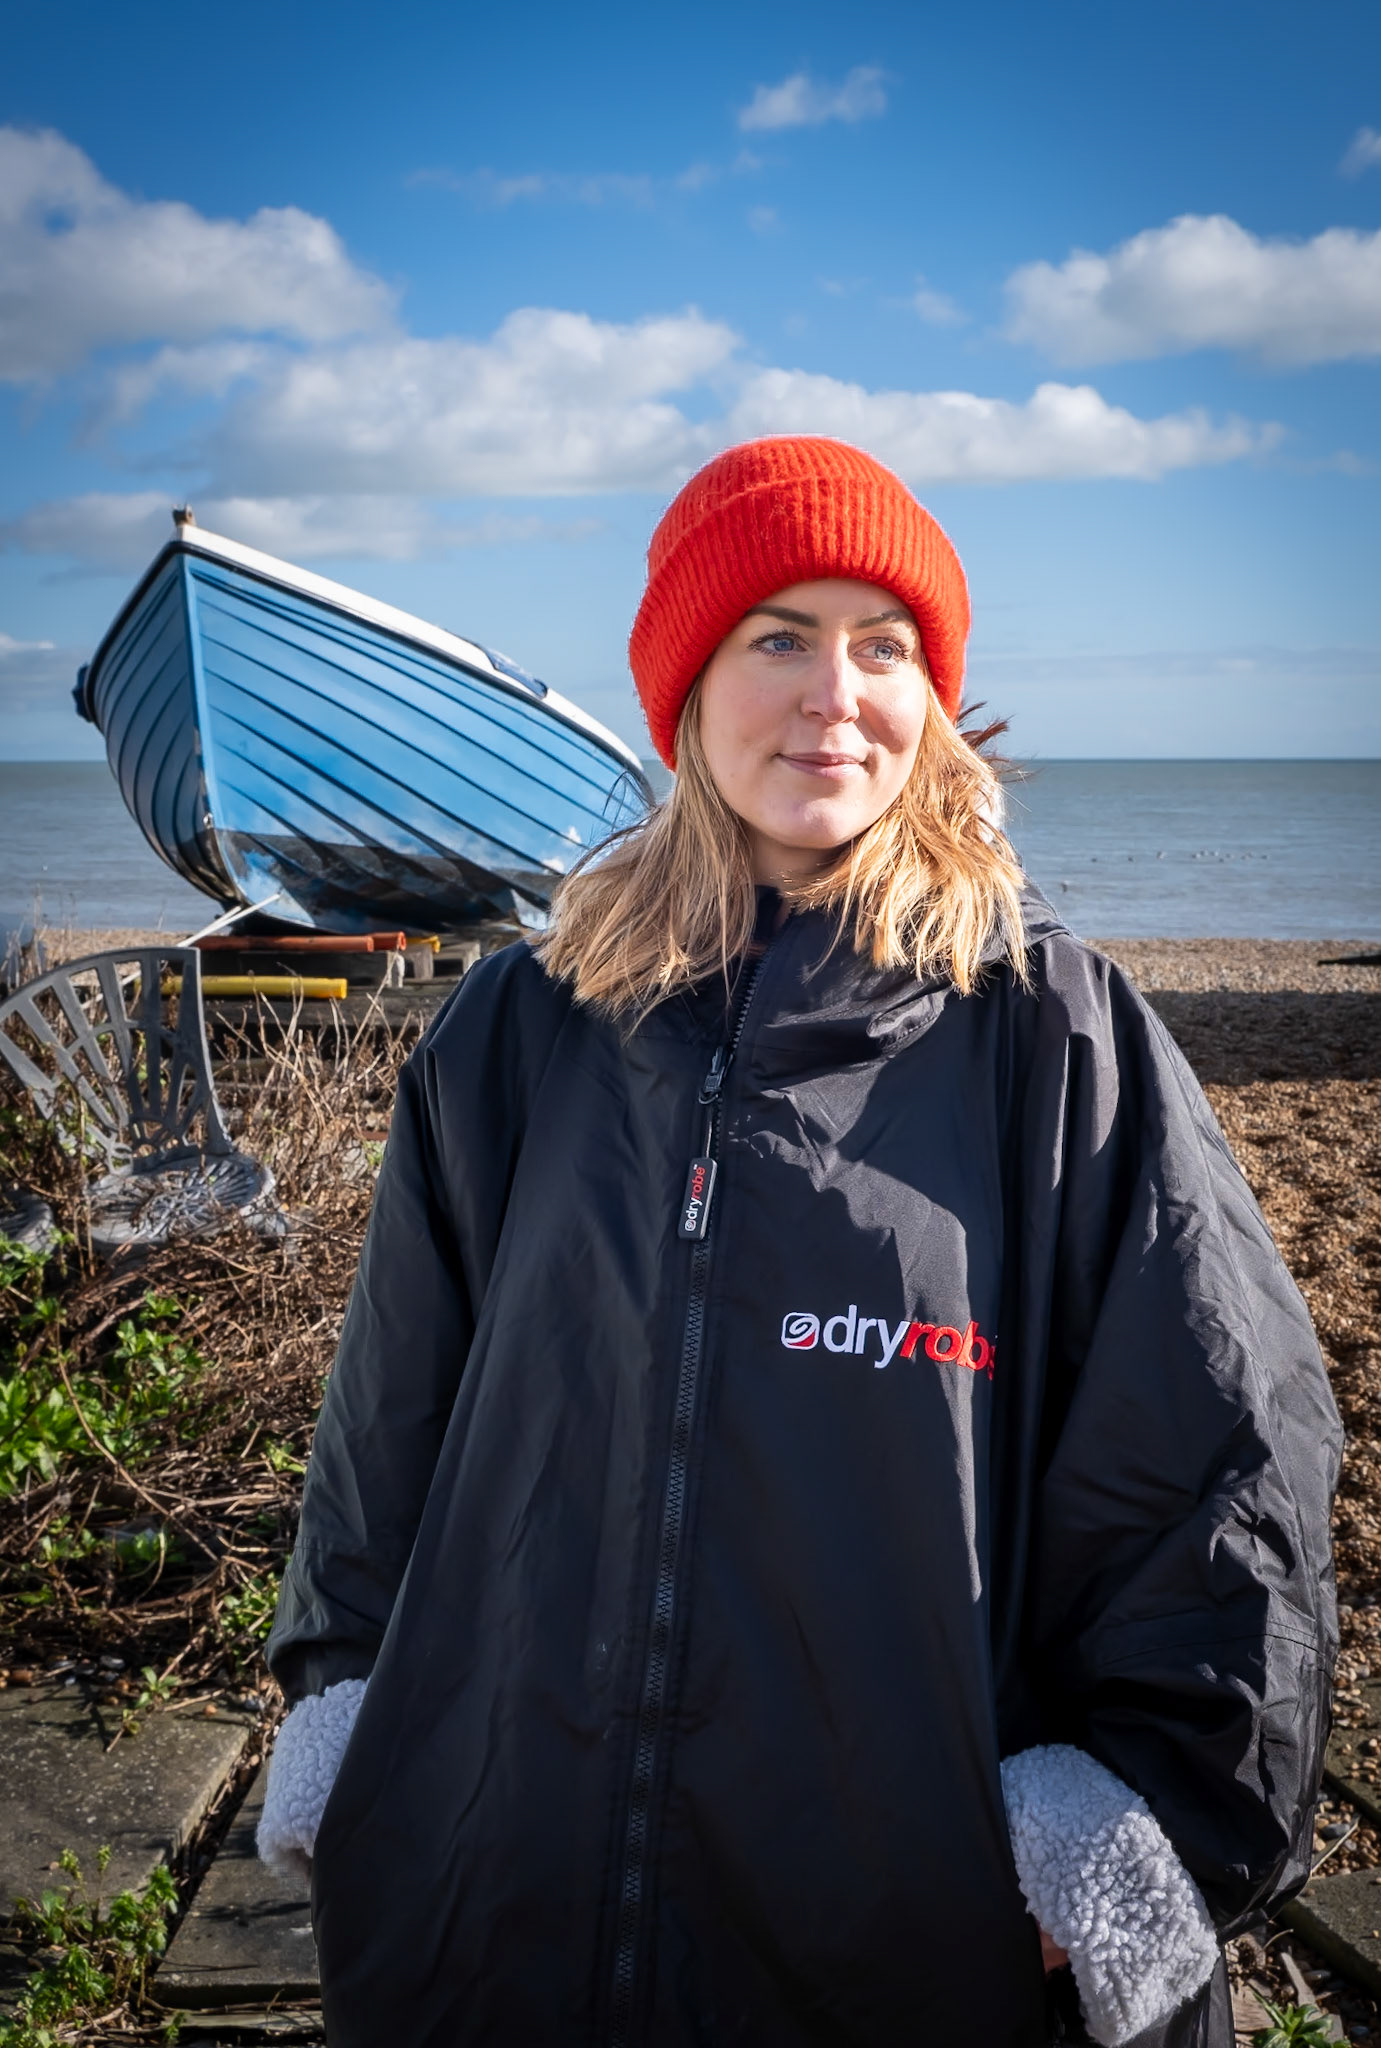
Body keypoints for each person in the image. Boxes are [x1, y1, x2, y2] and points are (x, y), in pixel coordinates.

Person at [257, 437, 1341, 2048]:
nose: (835, 695)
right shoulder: (520, 1029)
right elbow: (388, 1419)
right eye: (777, 637)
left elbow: (1220, 1448)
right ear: (686, 686)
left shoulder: (1048, 1034)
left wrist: (1136, 1811)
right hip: (506, 1876)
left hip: (917, 1920)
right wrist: (348, 1704)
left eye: (882, 647)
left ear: (929, 695)